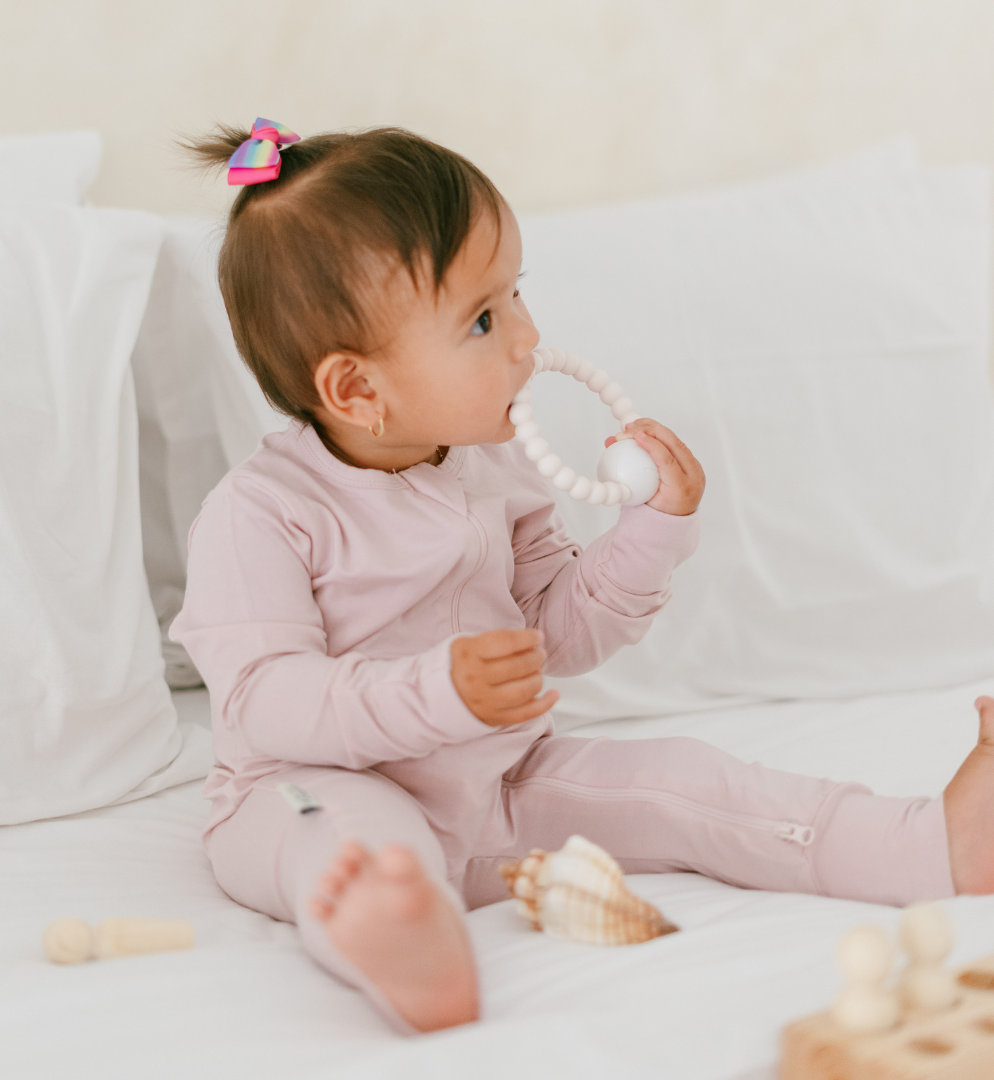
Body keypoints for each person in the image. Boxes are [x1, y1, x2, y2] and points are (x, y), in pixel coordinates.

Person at [171, 118, 994, 1034]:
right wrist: (437, 691)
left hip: (502, 782)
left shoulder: (496, 467)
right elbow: (266, 703)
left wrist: (648, 532)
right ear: (359, 392)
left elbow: (556, 640)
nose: (525, 337)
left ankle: (929, 845)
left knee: (691, 783)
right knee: (353, 845)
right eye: (482, 319)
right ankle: (400, 937)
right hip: (310, 789)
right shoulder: (260, 515)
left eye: (516, 294)